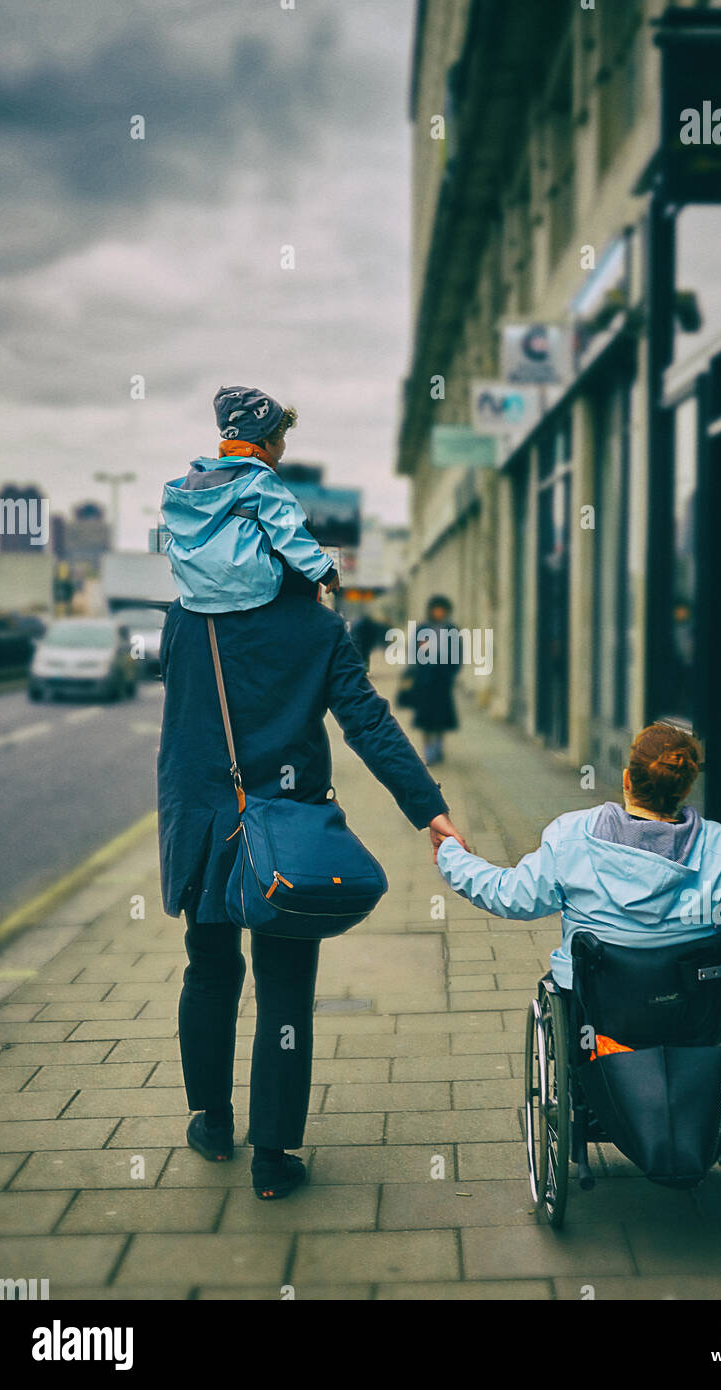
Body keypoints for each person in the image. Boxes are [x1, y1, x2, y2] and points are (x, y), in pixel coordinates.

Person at [158, 561, 468, 1200]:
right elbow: (369, 724)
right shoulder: (319, 629)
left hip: (204, 825)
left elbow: (183, 723)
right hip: (288, 836)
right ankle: (271, 1161)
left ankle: (214, 1126)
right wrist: (428, 810)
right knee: (286, 990)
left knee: (210, 970)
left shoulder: (185, 619)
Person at [435, 721, 721, 989]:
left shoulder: (573, 835)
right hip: (696, 1013)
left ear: (627, 779)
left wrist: (451, 854)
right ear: (685, 788)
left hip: (603, 1015)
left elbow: (511, 896)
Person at [161, 385, 340, 613]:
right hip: (249, 590)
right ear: (266, 442)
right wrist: (324, 571)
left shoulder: (194, 483)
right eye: (282, 439)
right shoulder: (262, 480)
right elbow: (288, 531)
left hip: (195, 593)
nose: (284, 447)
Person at [408, 594, 461, 765]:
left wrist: (450, 672)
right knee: (425, 718)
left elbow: (457, 654)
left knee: (440, 717)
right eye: (436, 609)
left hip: (442, 681)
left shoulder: (451, 630)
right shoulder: (422, 629)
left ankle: (438, 746)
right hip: (425, 681)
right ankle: (428, 751)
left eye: (442, 610)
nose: (439, 612)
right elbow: (415, 653)